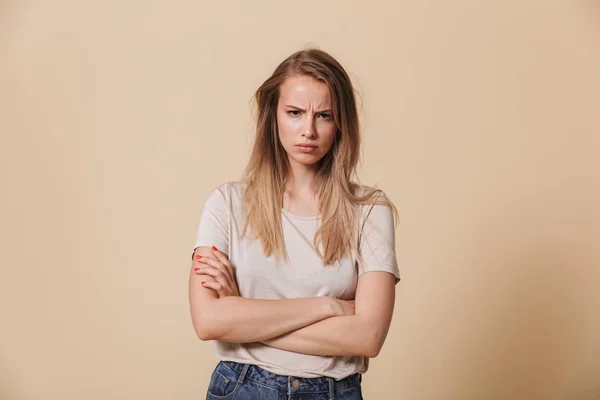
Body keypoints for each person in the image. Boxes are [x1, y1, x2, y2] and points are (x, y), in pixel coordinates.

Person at [188, 47, 401, 400]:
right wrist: (327, 306)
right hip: (242, 387)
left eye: (324, 115)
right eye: (295, 112)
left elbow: (368, 337)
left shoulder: (369, 210)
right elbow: (208, 322)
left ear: (341, 122)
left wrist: (242, 316)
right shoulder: (227, 204)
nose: (308, 130)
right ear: (273, 115)